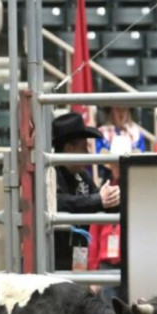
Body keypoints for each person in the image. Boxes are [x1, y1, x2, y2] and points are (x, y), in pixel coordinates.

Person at [52, 112, 120, 271]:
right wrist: (98, 200)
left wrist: (113, 198)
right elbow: (58, 202)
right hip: (53, 259)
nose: (88, 155)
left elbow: (100, 201)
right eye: (84, 148)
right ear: (69, 149)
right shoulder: (50, 172)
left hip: (76, 256)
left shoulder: (81, 175)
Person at [87, 159, 123, 301]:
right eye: (115, 164)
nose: (117, 167)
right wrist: (94, 273)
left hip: (126, 262)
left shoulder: (106, 191)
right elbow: (95, 232)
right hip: (108, 264)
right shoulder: (106, 190)